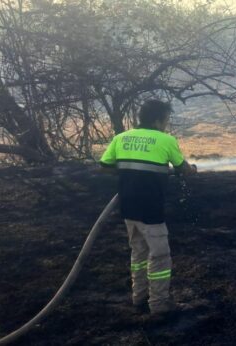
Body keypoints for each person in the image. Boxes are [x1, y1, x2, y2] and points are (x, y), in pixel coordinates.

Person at [99, 100, 196, 314]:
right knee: (160, 256)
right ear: (158, 119)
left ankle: (139, 297)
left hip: (128, 208)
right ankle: (159, 305)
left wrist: (130, 172)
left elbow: (105, 166)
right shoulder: (165, 140)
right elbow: (182, 168)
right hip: (151, 210)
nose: (166, 124)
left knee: (138, 253)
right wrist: (191, 170)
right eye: (166, 120)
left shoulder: (121, 138)